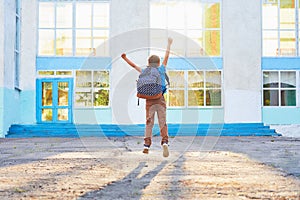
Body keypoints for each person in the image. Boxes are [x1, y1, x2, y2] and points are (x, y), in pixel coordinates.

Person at [121, 37, 173, 157]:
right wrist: (169, 44)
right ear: (159, 63)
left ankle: (146, 145)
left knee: (149, 123)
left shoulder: (145, 71)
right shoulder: (161, 69)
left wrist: (125, 58)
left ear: (148, 63)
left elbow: (134, 66)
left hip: (148, 101)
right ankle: (164, 142)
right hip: (160, 99)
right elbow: (167, 57)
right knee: (162, 122)